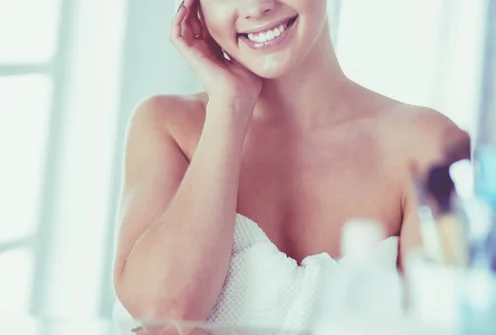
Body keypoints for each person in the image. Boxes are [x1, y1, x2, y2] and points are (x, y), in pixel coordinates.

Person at [112, 0, 470, 329]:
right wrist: (229, 107)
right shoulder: (167, 125)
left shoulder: (428, 145)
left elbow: (445, 324)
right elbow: (166, 316)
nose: (257, 6)